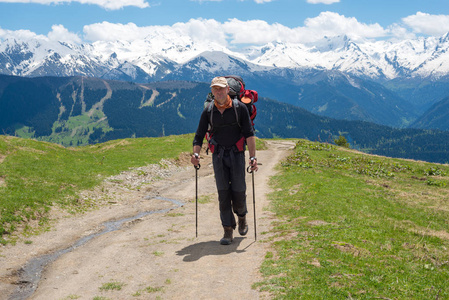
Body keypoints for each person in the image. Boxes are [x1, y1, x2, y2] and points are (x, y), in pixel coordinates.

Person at [191, 76, 258, 245]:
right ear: (212, 91)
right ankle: (228, 230)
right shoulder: (208, 111)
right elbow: (199, 135)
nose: (219, 92)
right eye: (215, 89)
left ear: (228, 89)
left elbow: (249, 134)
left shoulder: (240, 108)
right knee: (223, 193)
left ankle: (242, 216)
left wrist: (252, 157)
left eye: (221, 89)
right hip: (218, 155)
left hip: (236, 154)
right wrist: (196, 155)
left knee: (239, 190)